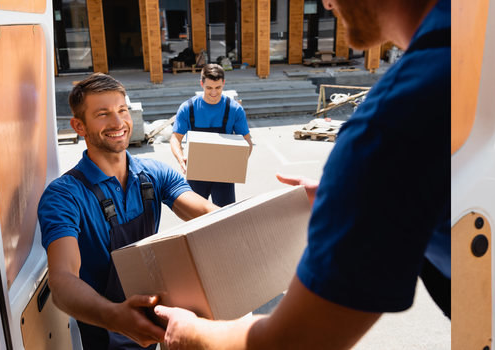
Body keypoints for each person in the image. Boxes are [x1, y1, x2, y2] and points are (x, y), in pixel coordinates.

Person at [152, 0, 450, 348]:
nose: (324, 3)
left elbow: (293, 341)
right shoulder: (464, 52)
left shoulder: (390, 123)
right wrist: (352, 192)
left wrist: (187, 331)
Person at [37, 73, 219, 349]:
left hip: (151, 315)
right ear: (79, 126)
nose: (118, 122)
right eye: (103, 114)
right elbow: (62, 280)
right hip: (104, 328)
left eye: (123, 110)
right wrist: (115, 317)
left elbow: (205, 210)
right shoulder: (63, 196)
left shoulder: (154, 173)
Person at [169, 63, 253, 207]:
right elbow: (175, 138)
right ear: (201, 84)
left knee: (224, 216)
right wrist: (181, 158)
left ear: (223, 84)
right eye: (209, 88)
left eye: (218, 88)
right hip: (196, 172)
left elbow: (247, 142)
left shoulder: (234, 109)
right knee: (195, 216)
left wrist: (238, 162)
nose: (213, 92)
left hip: (224, 174)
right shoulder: (188, 108)